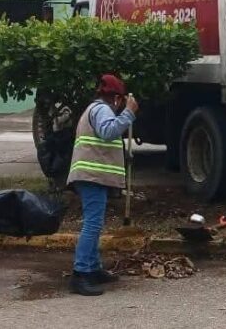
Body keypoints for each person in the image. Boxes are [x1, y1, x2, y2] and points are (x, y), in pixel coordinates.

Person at [67, 74, 138, 296]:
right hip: (91, 177)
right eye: (121, 101)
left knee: (95, 223)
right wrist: (129, 113)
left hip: (92, 177)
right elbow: (108, 132)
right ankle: (80, 274)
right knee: (92, 224)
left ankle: (93, 268)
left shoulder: (95, 109)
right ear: (117, 98)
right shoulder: (102, 110)